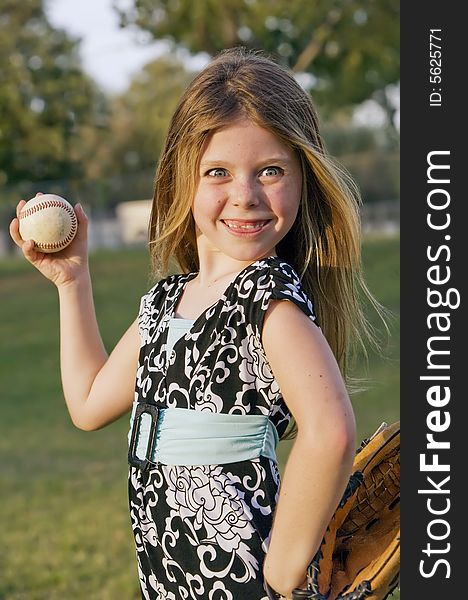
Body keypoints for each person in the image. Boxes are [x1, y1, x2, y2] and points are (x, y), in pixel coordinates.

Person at [10, 47, 379, 600]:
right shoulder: (167, 303)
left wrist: (280, 572)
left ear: (304, 179)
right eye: (218, 172)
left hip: (237, 577)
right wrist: (72, 281)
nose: (246, 195)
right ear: (182, 179)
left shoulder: (268, 304)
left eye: (271, 171)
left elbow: (330, 433)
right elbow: (88, 405)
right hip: (170, 575)